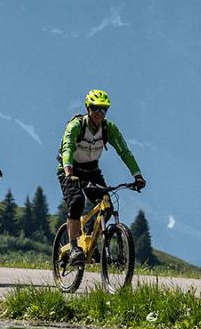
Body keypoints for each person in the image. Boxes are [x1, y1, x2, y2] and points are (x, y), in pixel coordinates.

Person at [58, 89, 144, 256]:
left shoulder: (108, 128)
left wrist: (137, 175)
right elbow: (67, 148)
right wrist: (68, 172)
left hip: (92, 171)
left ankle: (90, 240)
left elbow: (125, 152)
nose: (99, 113)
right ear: (88, 108)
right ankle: (74, 247)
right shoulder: (76, 126)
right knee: (76, 202)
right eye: (96, 108)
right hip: (70, 170)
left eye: (103, 109)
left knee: (107, 207)